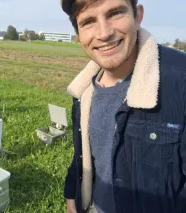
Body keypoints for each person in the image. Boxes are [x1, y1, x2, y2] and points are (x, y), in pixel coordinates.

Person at [61, 0, 186, 213]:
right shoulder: (83, 91)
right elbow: (83, 154)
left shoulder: (180, 80)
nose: (103, 33)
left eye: (115, 13)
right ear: (79, 34)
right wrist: (72, 195)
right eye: (89, 21)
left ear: (137, 16)